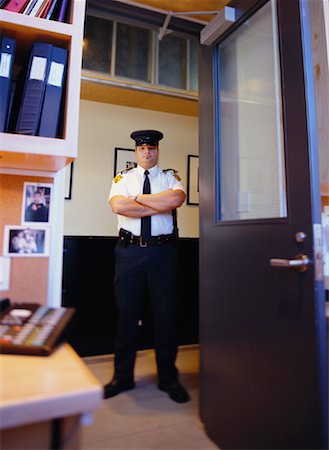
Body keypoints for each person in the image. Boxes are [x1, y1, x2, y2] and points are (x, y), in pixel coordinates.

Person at [105, 129, 190, 403]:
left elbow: (176, 200)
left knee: (165, 317)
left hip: (162, 253)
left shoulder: (170, 177)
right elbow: (119, 206)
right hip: (129, 253)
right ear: (135, 151)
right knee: (126, 316)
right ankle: (122, 377)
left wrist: (138, 200)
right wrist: (157, 204)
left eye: (151, 148)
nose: (147, 152)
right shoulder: (123, 178)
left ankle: (168, 379)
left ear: (157, 150)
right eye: (142, 149)